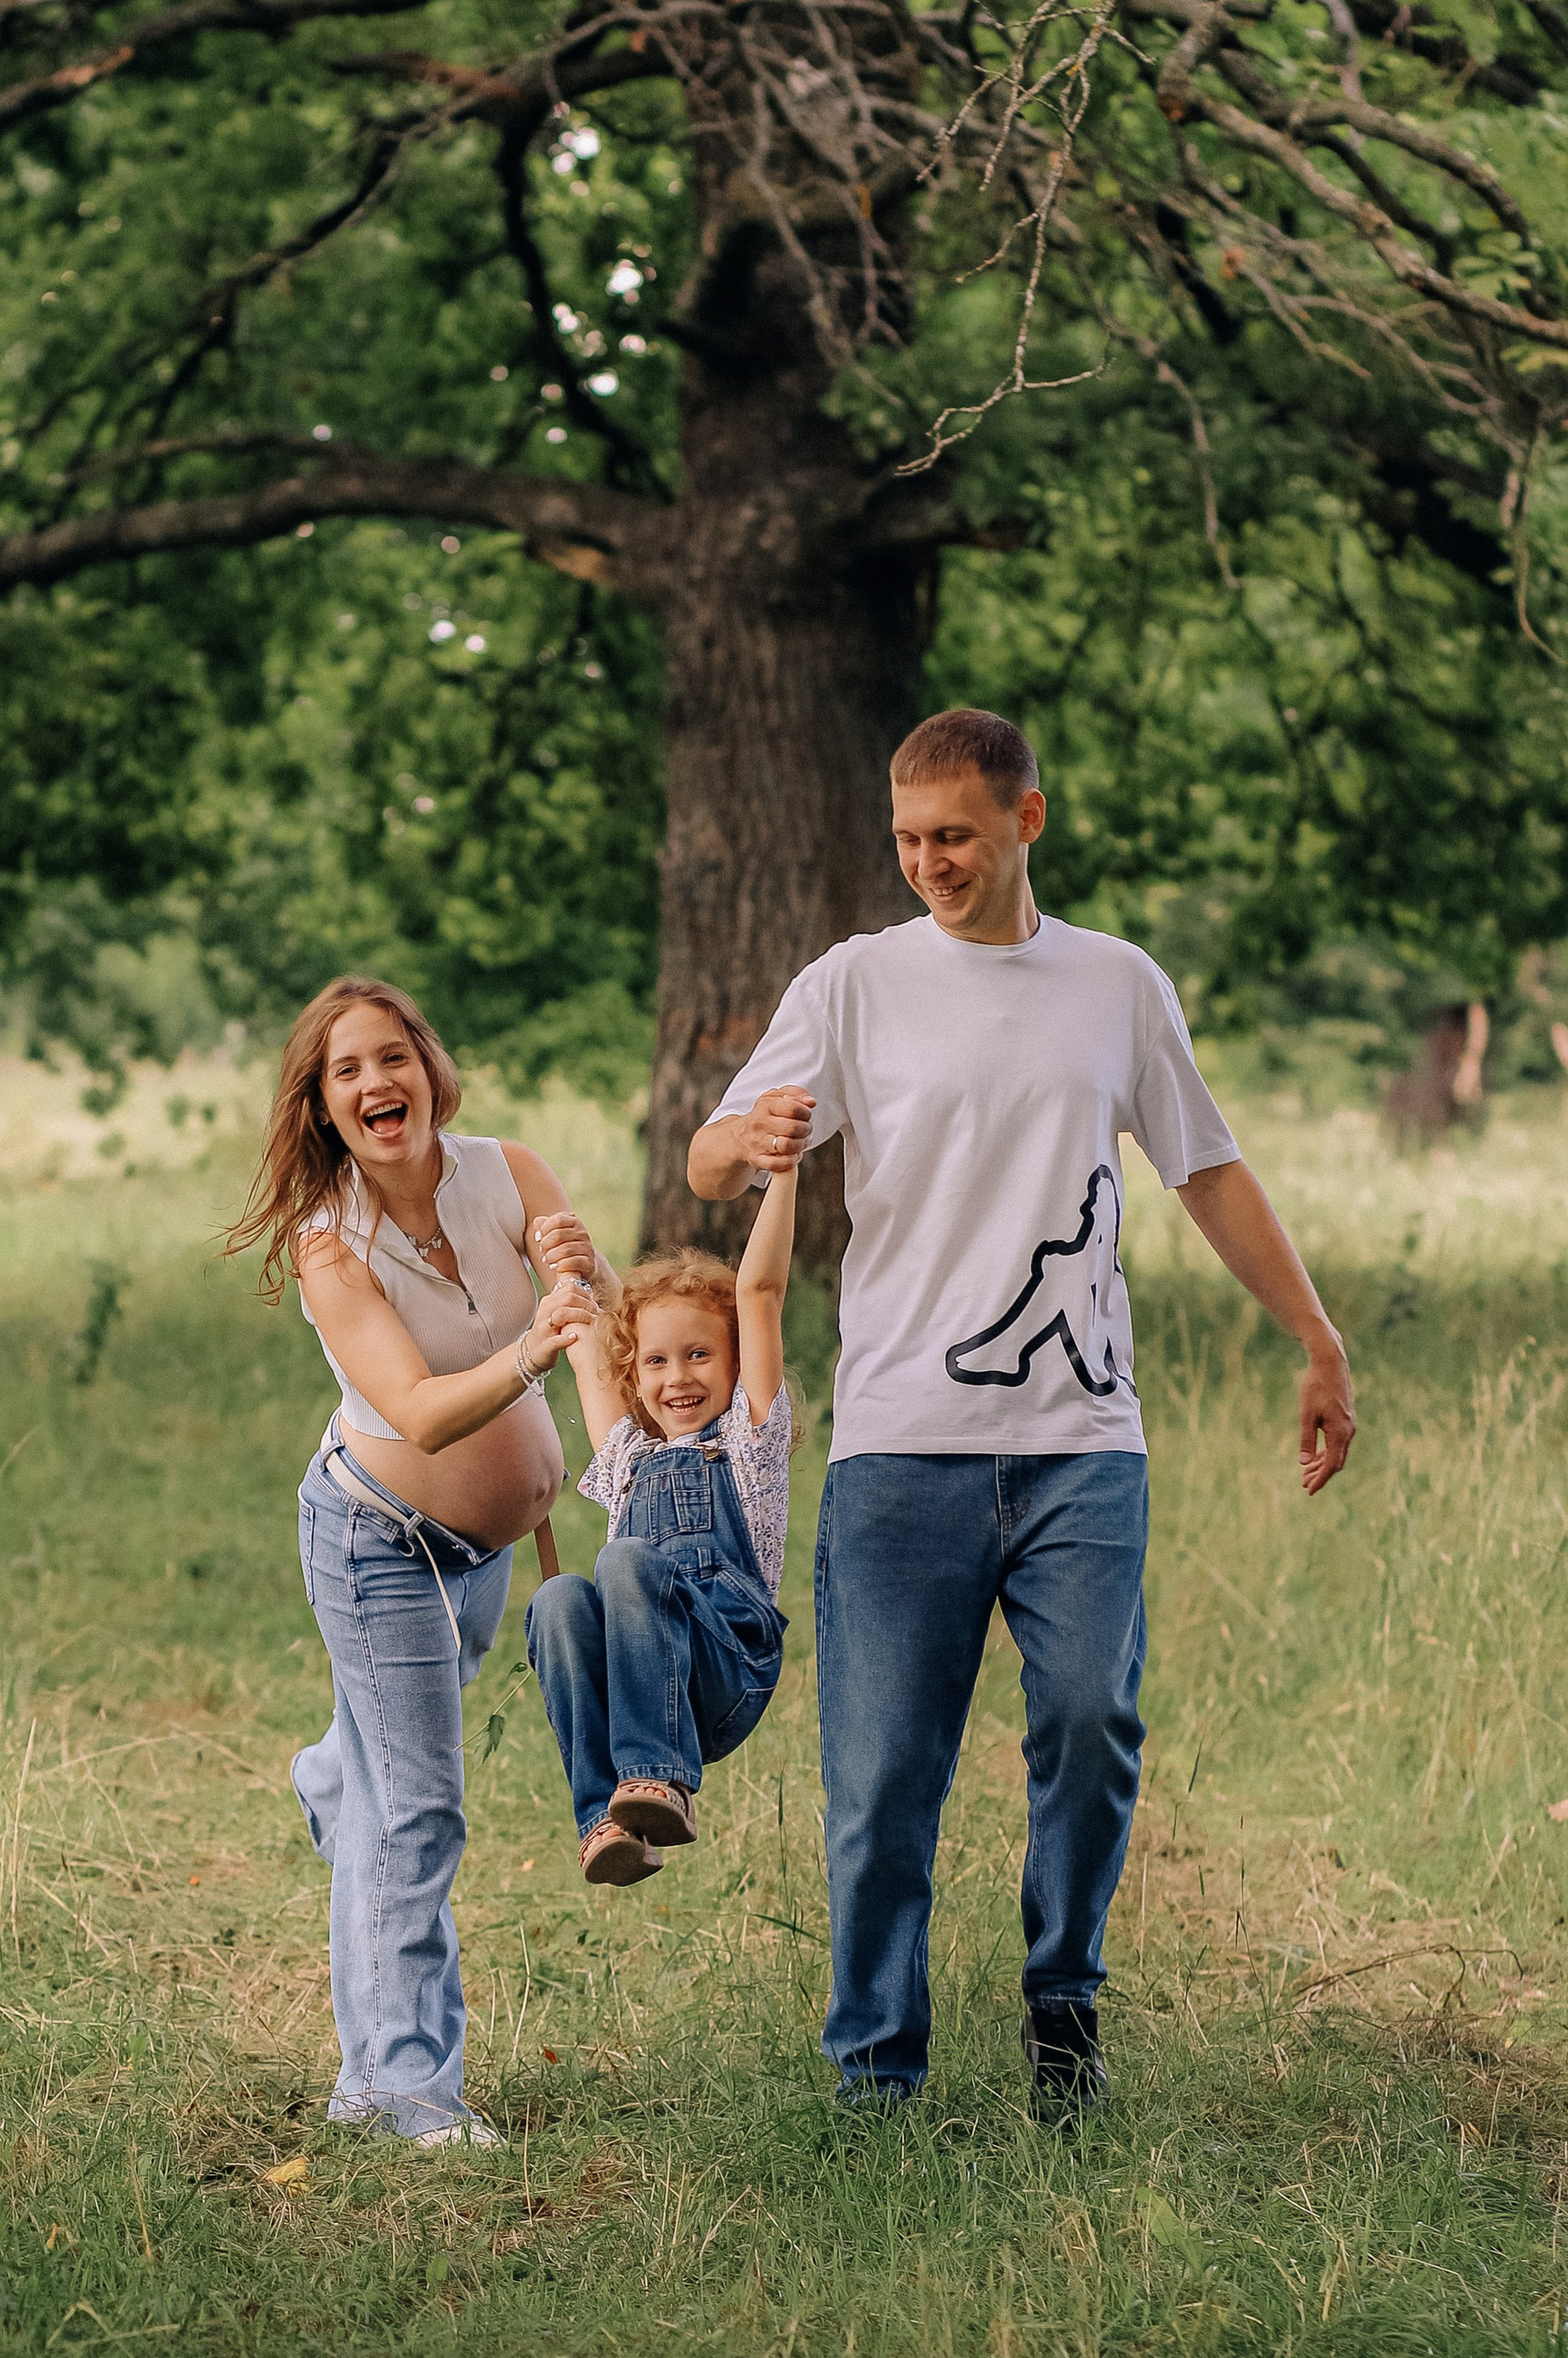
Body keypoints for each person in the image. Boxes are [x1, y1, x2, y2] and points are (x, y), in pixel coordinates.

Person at [687, 708, 1355, 2116]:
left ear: (1025, 823)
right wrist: (746, 1140)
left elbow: (1209, 1171)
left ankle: (1065, 2011)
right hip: (899, 1442)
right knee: (880, 1783)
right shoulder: (855, 985)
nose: (929, 862)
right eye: (910, 839)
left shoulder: (1115, 985)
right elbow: (705, 1159)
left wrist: (1316, 1336)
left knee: (1093, 1727)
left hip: (1081, 1446)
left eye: (957, 838)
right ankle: (877, 2066)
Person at [230, 974, 609, 2148]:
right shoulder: (327, 1244)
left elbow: (578, 1297)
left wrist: (575, 1273)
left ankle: (334, 1776)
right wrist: (539, 1344)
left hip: (479, 1556)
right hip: (377, 1543)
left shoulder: (509, 1170)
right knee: (420, 1815)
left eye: (391, 1056)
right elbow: (421, 1411)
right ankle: (396, 2093)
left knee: (383, 1783)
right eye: (347, 1071)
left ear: (427, 1069)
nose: (375, 1082)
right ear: (324, 1108)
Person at [527, 1169, 798, 1885]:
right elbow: (588, 1353)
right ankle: (605, 1820)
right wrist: (565, 1266)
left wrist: (785, 1177)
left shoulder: (749, 1447)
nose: (676, 1376)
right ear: (636, 1374)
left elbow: (761, 1293)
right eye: (655, 1360)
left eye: (699, 1354)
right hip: (640, 1685)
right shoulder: (628, 1457)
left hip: (723, 1668)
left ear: (737, 1363)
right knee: (556, 1601)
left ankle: (661, 1782)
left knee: (624, 1560)